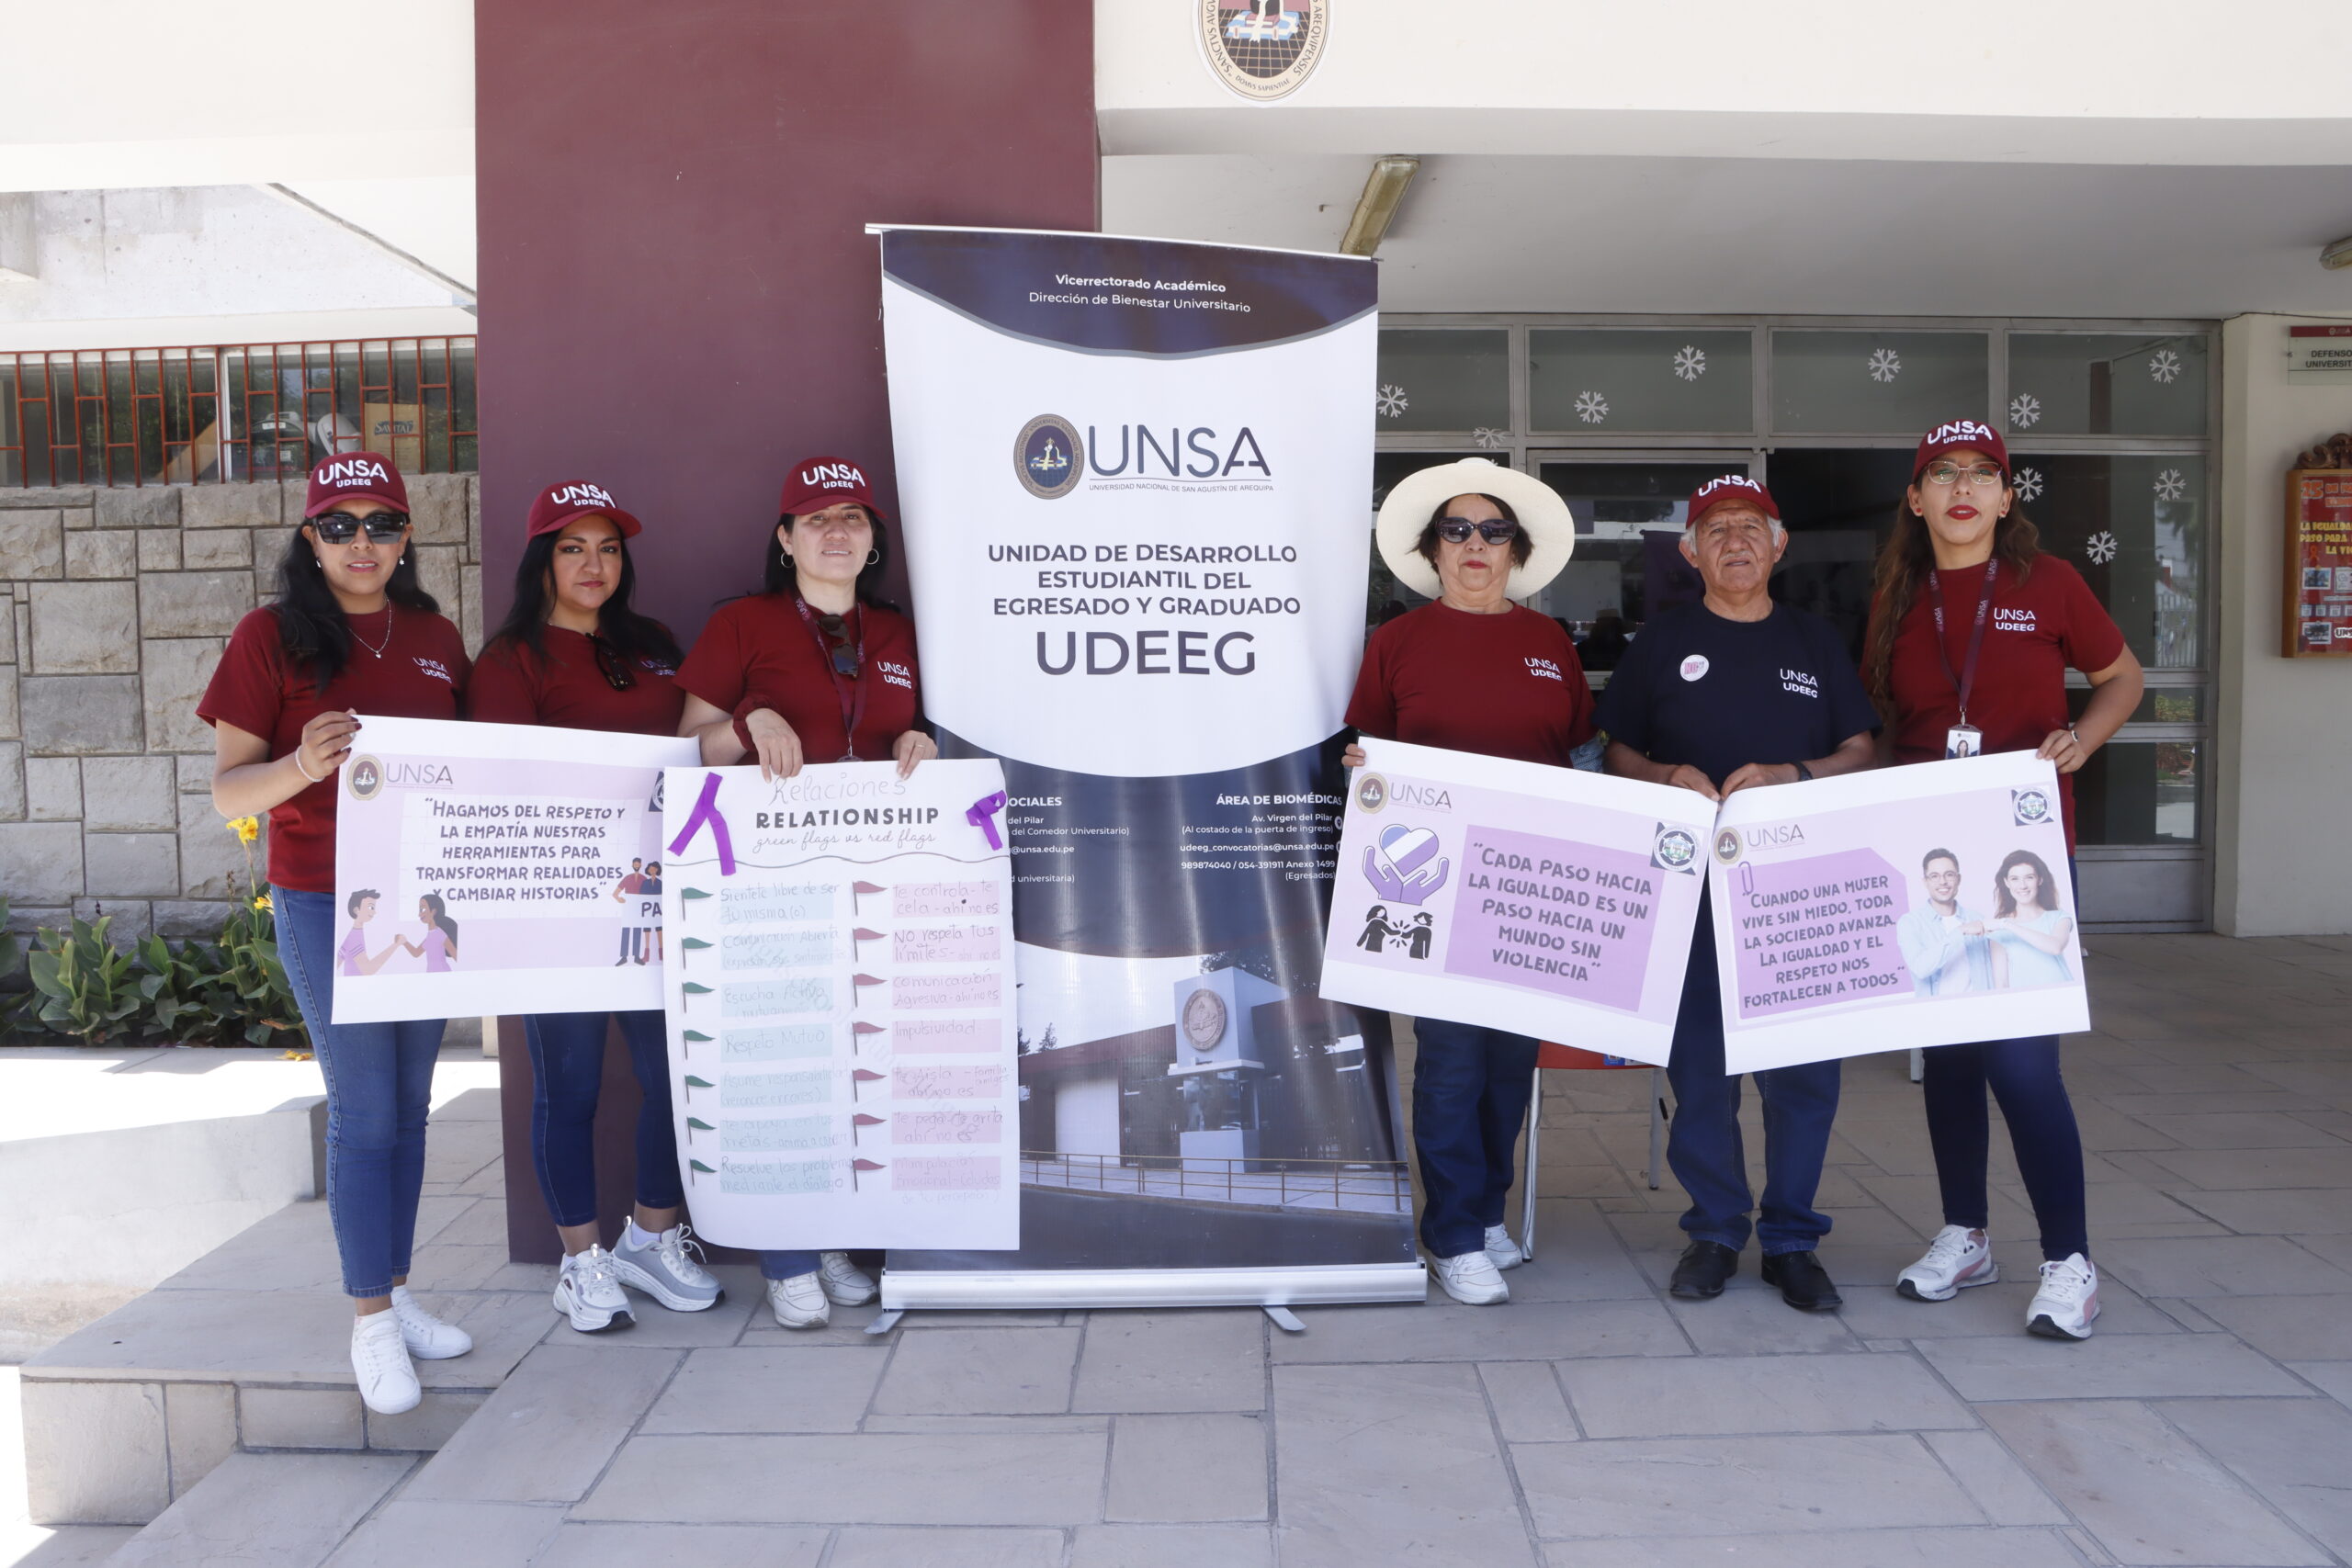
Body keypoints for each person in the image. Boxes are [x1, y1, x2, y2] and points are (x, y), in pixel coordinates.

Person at [198, 452, 474, 1416]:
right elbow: (229, 789)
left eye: (382, 523)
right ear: (309, 539)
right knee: (363, 1109)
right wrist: (301, 767)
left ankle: (395, 1292)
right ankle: (369, 1321)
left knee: (410, 1105)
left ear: (406, 537)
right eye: (340, 524)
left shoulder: (435, 635)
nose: (363, 542)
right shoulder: (269, 636)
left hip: (423, 900)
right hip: (325, 898)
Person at [1866, 419, 2143, 1340]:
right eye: (1942, 473)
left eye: (1982, 473)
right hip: (1931, 854)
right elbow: (1883, 721)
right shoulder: (1896, 597)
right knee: (1947, 1059)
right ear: (1916, 499)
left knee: (2022, 1064)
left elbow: (2121, 677)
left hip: (2024, 855)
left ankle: (2070, 1260)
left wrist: (2082, 739)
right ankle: (1967, 1234)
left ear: (2005, 495)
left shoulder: (2048, 582)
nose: (1962, 488)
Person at [1596, 475, 1879, 1313]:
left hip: (1799, 895)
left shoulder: (1815, 640)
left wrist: (1795, 773)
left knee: (1802, 1074)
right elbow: (1616, 751)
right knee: (1702, 1070)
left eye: (1751, 527)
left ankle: (1792, 1240)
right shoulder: (1660, 642)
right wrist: (1664, 774)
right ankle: (1715, 1230)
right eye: (1716, 529)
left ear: (1778, 545)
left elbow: (1860, 750)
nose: (1735, 542)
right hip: (1689, 896)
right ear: (1691, 553)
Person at [673, 455, 935, 1328]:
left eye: (852, 516)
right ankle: (785, 1256)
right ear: (785, 540)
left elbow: (911, 728)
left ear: (873, 540)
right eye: (815, 518)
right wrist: (747, 720)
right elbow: (690, 747)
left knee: (847, 1064)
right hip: (768, 887)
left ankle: (824, 1239)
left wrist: (922, 742)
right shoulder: (742, 623)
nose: (835, 531)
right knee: (781, 1068)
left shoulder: (897, 632)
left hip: (874, 882)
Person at [468, 478, 725, 1334]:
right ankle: (580, 1262)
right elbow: (501, 787)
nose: (594, 564)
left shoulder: (652, 645)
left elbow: (690, 748)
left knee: (676, 1075)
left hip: (661, 901)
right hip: (562, 908)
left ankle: (649, 1237)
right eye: (573, 547)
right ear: (543, 560)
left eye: (608, 548)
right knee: (569, 1085)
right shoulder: (511, 660)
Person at [1341, 457, 1589, 1307]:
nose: (1474, 543)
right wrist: (1360, 769)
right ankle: (1449, 1234)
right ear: (1432, 549)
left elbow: (1581, 752)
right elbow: (1363, 754)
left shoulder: (1550, 643)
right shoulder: (1396, 643)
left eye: (1492, 530)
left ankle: (1484, 1211)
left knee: (1510, 1060)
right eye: (1456, 529)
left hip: (1529, 883)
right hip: (1430, 882)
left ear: (1515, 549)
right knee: (1451, 1059)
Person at [1896, 849, 1994, 996]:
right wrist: (1960, 931)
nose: (1943, 882)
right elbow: (1921, 969)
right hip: (1937, 1008)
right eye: (1934, 876)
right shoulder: (1910, 923)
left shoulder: (1977, 919)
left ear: (1958, 879)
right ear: (1925, 882)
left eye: (1949, 875)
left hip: (1978, 1005)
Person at [1987, 850, 2075, 988]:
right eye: (2015, 879)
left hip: (2062, 995)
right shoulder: (1998, 931)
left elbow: (2055, 947)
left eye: (2029, 877)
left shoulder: (2059, 917)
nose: (2022, 886)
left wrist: (2007, 924)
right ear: (2006, 882)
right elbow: (2001, 983)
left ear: (2040, 880)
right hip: (2025, 1000)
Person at [338, 890, 402, 977]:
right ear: (356, 910)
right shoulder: (354, 937)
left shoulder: (353, 934)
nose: (374, 912)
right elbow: (368, 970)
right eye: (370, 907)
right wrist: (396, 945)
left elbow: (339, 959)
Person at [401, 893, 458, 971]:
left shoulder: (440, 934)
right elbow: (416, 953)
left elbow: (455, 955)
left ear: (433, 911)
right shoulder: (431, 935)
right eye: (420, 910)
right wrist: (404, 942)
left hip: (442, 974)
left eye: (422, 909)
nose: (419, 914)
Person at [612, 858, 648, 965]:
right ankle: (624, 957)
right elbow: (615, 893)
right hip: (628, 908)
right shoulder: (627, 878)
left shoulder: (644, 879)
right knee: (626, 931)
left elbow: (648, 894)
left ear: (640, 865)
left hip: (639, 909)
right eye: (634, 864)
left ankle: (636, 956)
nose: (636, 865)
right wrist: (619, 899)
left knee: (637, 931)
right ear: (632, 865)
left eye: (638, 864)